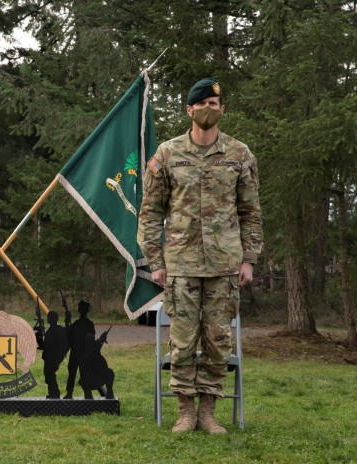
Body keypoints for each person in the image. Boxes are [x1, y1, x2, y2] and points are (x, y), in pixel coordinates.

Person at [137, 78, 262, 434]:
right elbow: (150, 213)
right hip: (180, 265)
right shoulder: (167, 154)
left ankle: (208, 411)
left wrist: (249, 258)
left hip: (225, 265)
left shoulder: (240, 154)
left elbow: (250, 211)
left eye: (215, 104)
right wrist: (156, 263)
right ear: (189, 110)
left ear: (223, 110)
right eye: (202, 103)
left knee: (218, 340)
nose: (209, 109)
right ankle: (185, 412)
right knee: (182, 341)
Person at [63, 300, 95, 399]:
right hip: (76, 352)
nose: (81, 310)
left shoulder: (88, 324)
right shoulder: (78, 324)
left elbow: (91, 338)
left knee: (84, 374)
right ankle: (70, 393)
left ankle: (87, 393)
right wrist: (67, 322)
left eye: (82, 308)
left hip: (82, 353)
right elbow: (68, 335)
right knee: (72, 374)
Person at [42, 310, 70, 399]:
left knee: (49, 374)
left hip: (52, 357)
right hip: (51, 357)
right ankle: (53, 393)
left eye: (50, 318)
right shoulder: (59, 330)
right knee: (49, 375)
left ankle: (54, 393)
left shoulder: (54, 331)